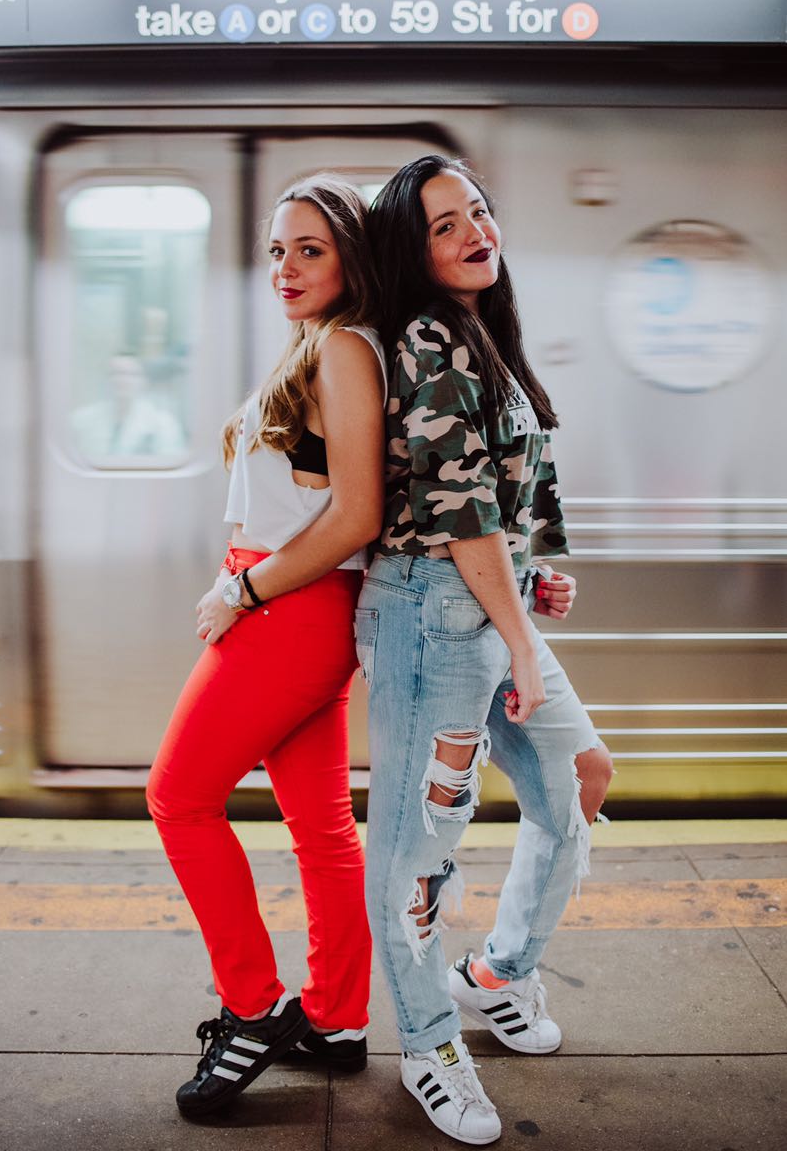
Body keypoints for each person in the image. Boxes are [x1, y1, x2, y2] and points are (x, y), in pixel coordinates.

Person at [360, 155, 613, 1145]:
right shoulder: (426, 339)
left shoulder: (486, 334)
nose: (474, 231)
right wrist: (521, 640)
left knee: (579, 779)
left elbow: (511, 499)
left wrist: (538, 575)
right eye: (443, 225)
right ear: (411, 251)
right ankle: (428, 1046)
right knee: (416, 851)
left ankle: (499, 973)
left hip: (489, 602)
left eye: (476, 211)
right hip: (431, 614)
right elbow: (460, 513)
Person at [146, 174, 387, 1120]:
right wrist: (236, 576)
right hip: (293, 603)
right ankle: (335, 1021)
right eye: (278, 249)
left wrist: (242, 590)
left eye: (310, 249)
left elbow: (356, 515)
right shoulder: (318, 344)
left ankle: (251, 1010)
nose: (286, 266)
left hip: (290, 609)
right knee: (322, 829)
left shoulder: (345, 350)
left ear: (352, 257)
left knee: (177, 798)